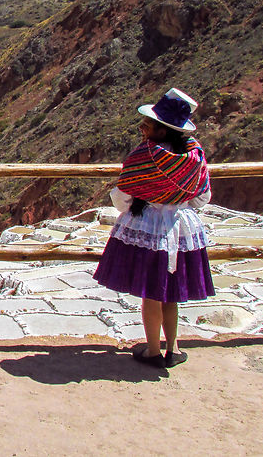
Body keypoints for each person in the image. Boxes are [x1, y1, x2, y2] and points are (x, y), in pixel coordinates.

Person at [92, 88, 213, 369]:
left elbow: (123, 198)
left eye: (147, 125)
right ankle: (173, 348)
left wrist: (152, 198)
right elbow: (202, 197)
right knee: (172, 292)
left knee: (152, 293)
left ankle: (153, 350)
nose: (141, 128)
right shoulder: (195, 157)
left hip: (149, 229)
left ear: (162, 130)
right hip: (182, 229)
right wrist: (175, 201)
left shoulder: (143, 156)